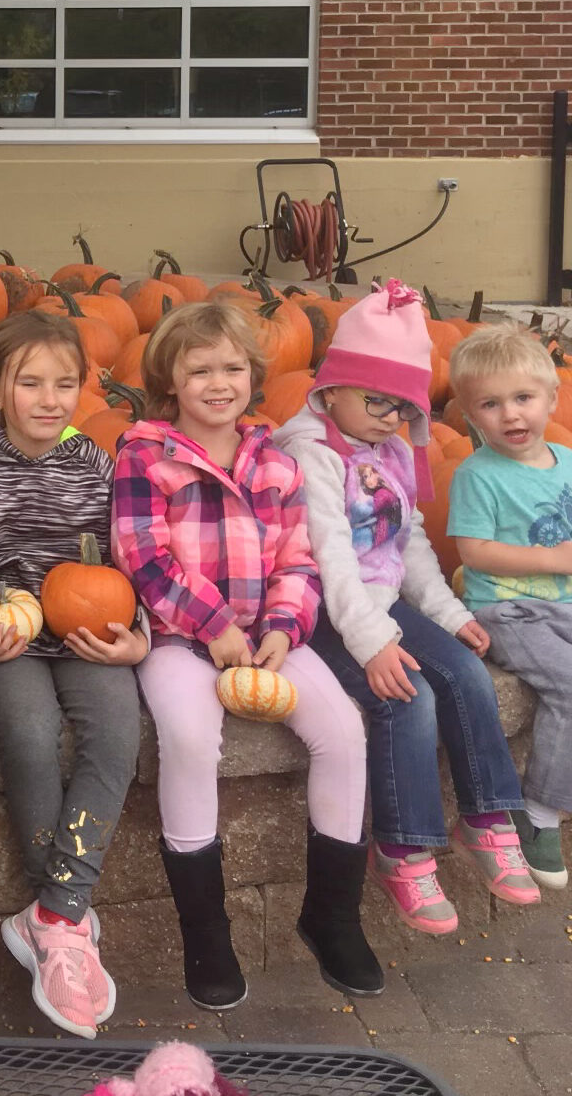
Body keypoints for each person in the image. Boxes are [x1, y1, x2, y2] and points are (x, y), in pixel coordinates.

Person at [110, 301, 380, 1011]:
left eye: (232, 367)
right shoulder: (145, 457)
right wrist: (211, 628)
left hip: (266, 637)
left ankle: (332, 914)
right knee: (192, 737)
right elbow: (144, 559)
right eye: (200, 369)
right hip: (179, 638)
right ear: (170, 379)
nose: (218, 381)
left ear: (253, 376)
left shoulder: (276, 464)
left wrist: (287, 628)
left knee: (345, 732)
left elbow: (298, 558)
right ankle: (207, 934)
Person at [274, 281, 535, 935]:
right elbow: (329, 555)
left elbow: (409, 538)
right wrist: (370, 640)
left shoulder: (389, 448)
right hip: (330, 614)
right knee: (407, 696)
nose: (391, 416)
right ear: (332, 388)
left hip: (385, 601)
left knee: (467, 672)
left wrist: (448, 613)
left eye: (403, 405)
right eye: (376, 399)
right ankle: (404, 848)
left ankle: (487, 818)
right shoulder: (311, 453)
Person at [0, 311, 143, 1038]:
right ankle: (59, 920)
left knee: (115, 733)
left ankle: (56, 914)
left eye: (66, 383)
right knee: (29, 734)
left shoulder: (95, 463)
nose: (51, 398)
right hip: (8, 639)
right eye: (31, 383)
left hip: (89, 631)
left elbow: (130, 554)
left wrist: (137, 634)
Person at [448, 323, 572, 889]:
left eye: (523, 398)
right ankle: (540, 811)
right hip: (508, 610)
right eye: (491, 405)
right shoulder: (478, 474)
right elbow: (473, 550)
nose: (511, 415)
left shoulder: (567, 460)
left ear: (551, 396)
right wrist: (553, 560)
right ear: (471, 416)